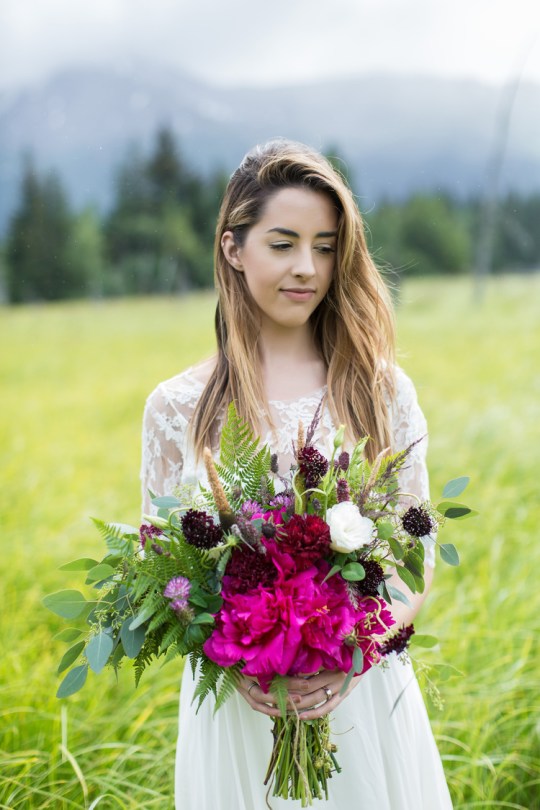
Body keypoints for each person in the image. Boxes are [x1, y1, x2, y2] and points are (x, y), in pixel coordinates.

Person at [140, 139, 453, 809]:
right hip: (238, 715)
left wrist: (355, 657)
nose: (307, 268)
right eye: (282, 244)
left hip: (361, 700)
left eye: (326, 245)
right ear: (233, 248)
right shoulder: (175, 409)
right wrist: (230, 660)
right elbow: (162, 573)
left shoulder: (381, 391)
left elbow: (412, 560)